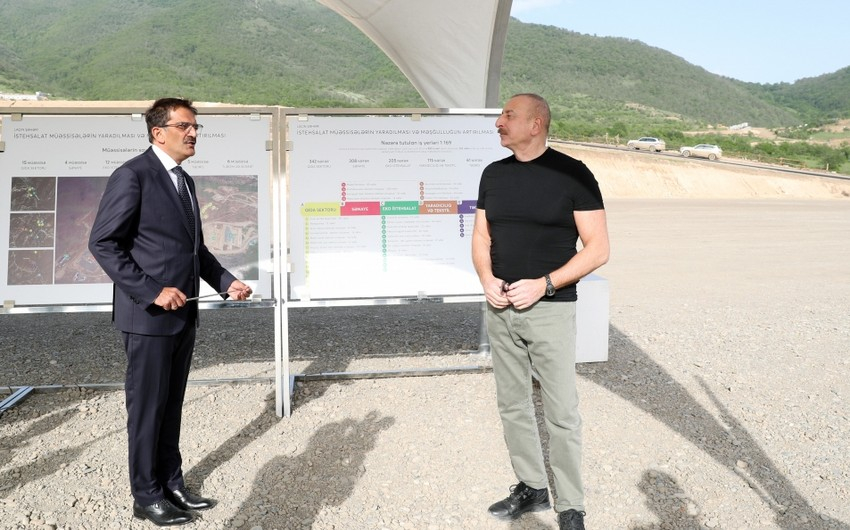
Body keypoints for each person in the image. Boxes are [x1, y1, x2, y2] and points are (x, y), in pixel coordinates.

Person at [89, 98, 252, 526]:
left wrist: (225, 281)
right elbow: (103, 243)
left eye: (196, 127)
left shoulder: (184, 181)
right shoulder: (133, 175)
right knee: (147, 408)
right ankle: (145, 495)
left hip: (184, 315)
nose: (193, 133)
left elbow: (195, 250)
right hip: (148, 317)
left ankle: (171, 483)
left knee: (170, 405)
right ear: (158, 132)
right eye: (184, 126)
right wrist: (152, 291)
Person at [472, 93, 609, 530]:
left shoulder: (574, 174)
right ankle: (532, 487)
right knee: (512, 404)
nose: (498, 122)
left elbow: (599, 249)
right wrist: (486, 279)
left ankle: (571, 507)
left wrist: (544, 284)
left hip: (551, 310)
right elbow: (481, 236)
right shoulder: (493, 174)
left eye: (508, 115)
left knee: (561, 412)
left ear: (536, 124)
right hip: (500, 308)